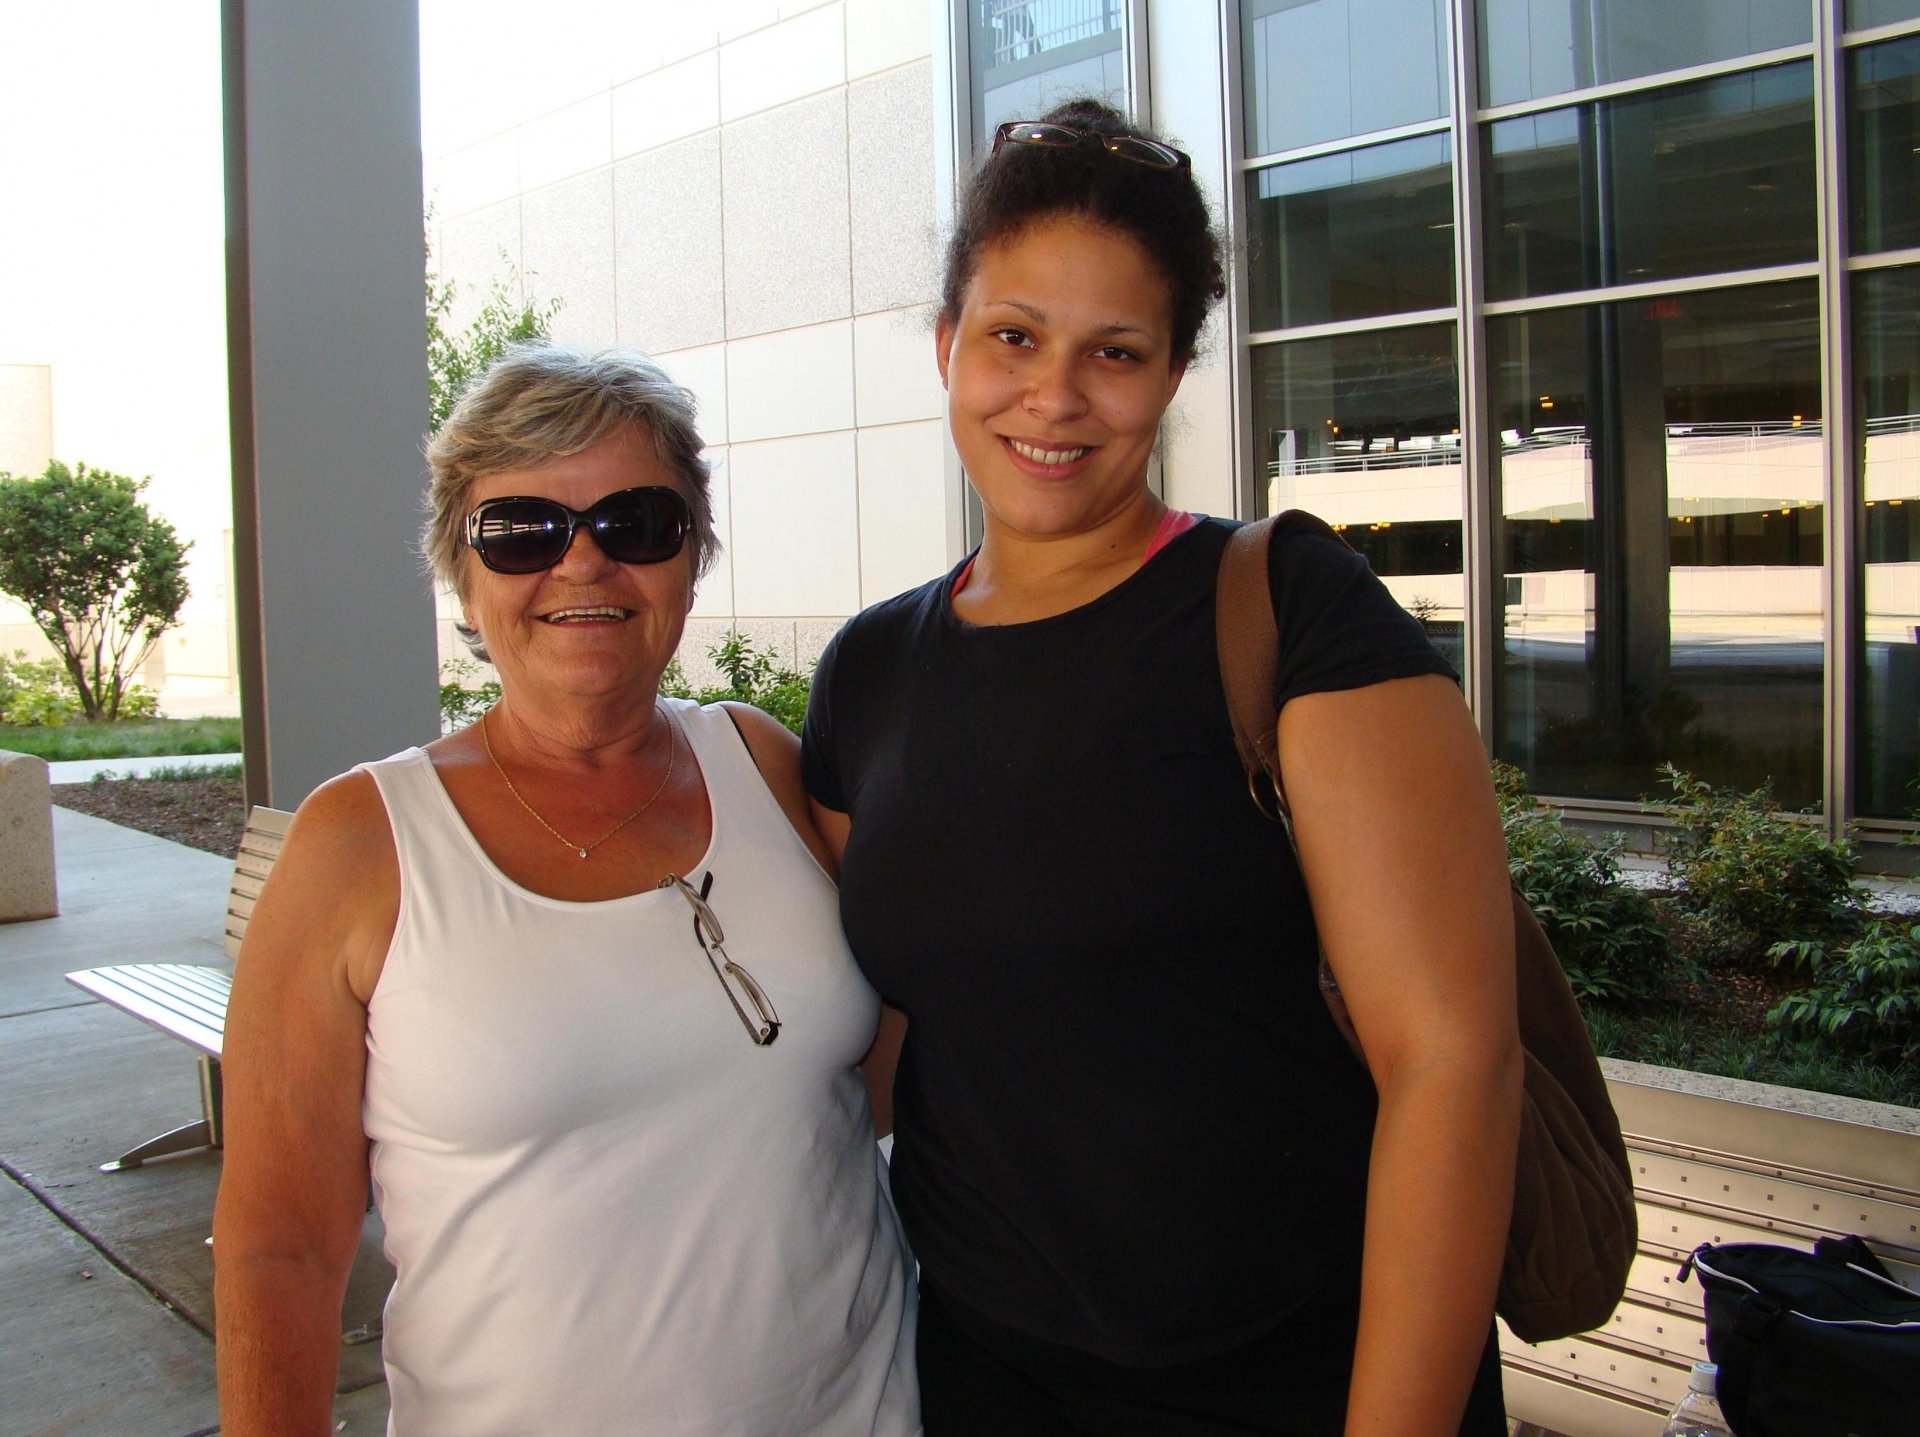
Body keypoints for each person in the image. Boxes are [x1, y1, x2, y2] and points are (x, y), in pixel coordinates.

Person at [801, 99, 1523, 1435]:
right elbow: (887, 1035)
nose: (1054, 397)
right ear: (947, 342)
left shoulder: (1289, 611)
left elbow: (1456, 1068)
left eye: (1116, 352)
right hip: (983, 1380)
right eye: (1014, 336)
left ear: (1175, 371)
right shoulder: (870, 672)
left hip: (1298, 1383)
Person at [212, 345, 919, 1436]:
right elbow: (281, 1247)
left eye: (636, 523)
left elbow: (888, 1061)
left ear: (692, 556)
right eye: (522, 531)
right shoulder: (358, 844)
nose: (583, 564)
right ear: (463, 574)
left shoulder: (766, 764)